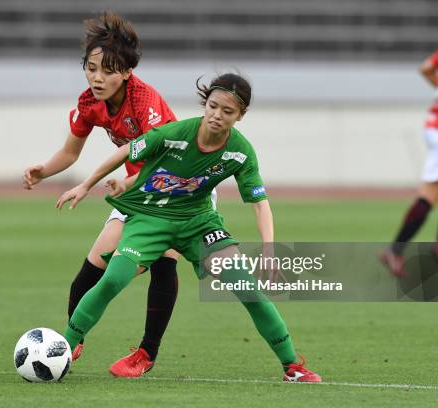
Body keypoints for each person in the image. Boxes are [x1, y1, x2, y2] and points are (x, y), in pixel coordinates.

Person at [57, 73, 322, 382]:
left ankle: (292, 366)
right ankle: (63, 349)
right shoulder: (176, 132)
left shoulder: (240, 151)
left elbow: (260, 202)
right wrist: (86, 185)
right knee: (113, 278)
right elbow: (126, 152)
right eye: (212, 106)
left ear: (241, 115)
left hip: (198, 222)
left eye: (228, 111)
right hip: (150, 216)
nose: (216, 116)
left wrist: (268, 248)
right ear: (205, 103)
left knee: (247, 287)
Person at [23, 11, 194, 377]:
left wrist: (126, 184)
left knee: (165, 261)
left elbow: (163, 160)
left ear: (127, 72)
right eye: (91, 67)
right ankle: (68, 346)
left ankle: (146, 354)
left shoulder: (145, 101)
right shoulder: (90, 102)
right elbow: (71, 152)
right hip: (133, 191)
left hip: (179, 188)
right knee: (90, 271)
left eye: (107, 70)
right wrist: (44, 169)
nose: (97, 77)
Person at [380, 44, 438, 277]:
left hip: (436, 125)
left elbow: (426, 68)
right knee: (430, 193)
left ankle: (435, 244)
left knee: (433, 192)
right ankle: (429, 245)